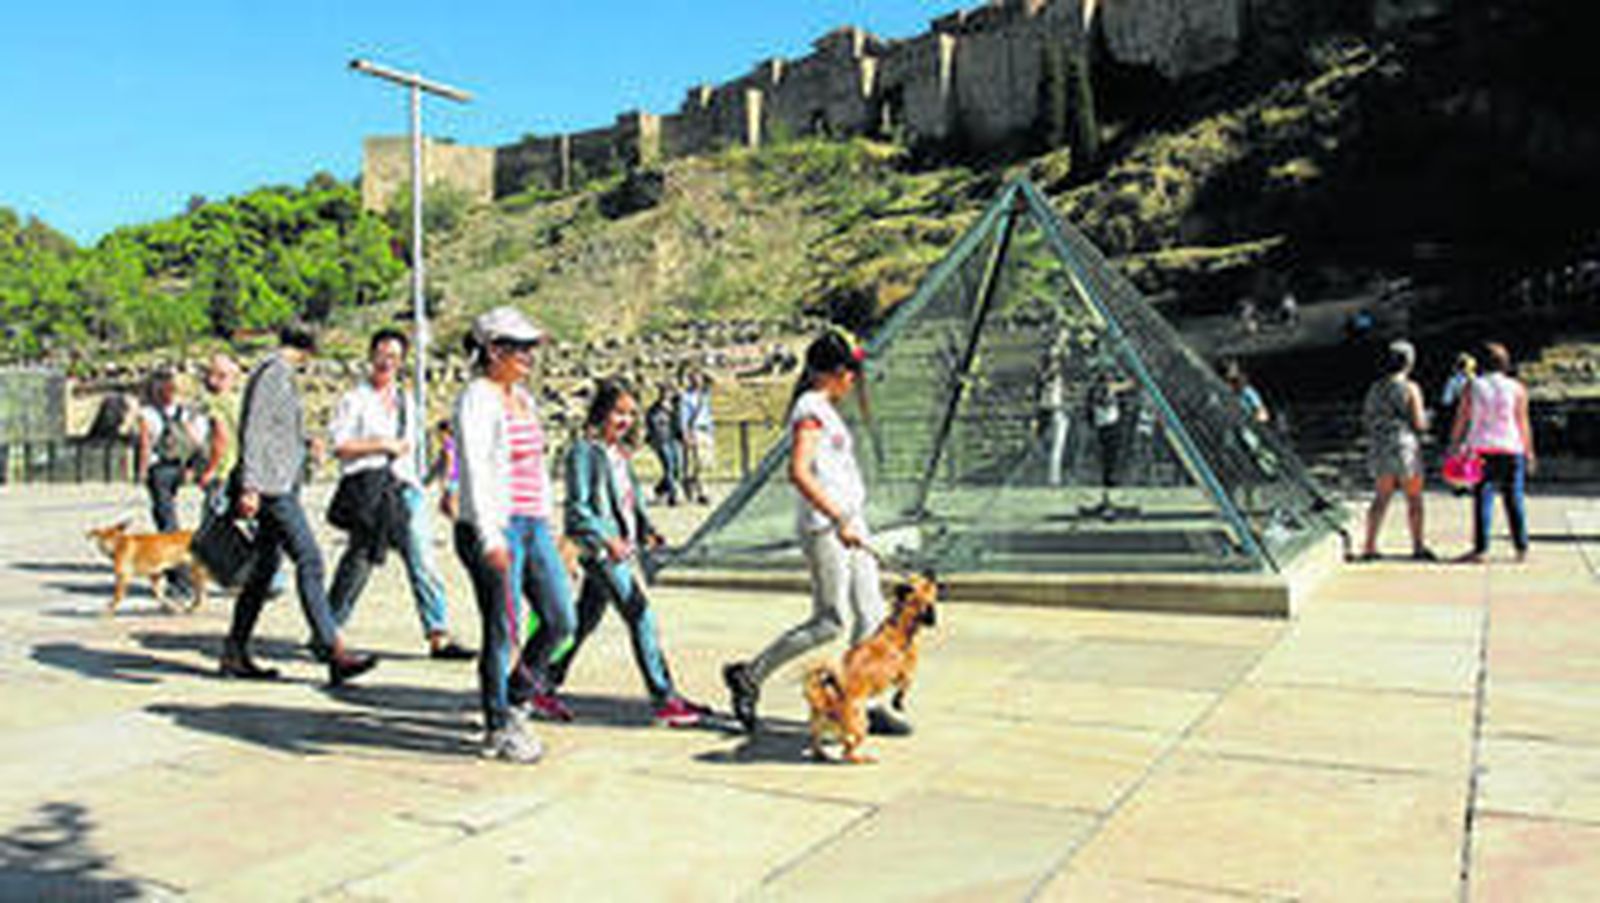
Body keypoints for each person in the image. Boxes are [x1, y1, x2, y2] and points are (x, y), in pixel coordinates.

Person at [722, 329, 909, 738]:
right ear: (834, 372)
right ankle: (751, 675)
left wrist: (851, 518)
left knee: (872, 614)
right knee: (830, 621)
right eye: (850, 372)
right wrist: (838, 518)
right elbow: (799, 471)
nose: (854, 380)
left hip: (849, 521)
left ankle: (863, 701)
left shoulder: (825, 407)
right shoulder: (810, 408)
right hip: (827, 527)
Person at [452, 306, 578, 763]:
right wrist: (490, 536)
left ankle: (519, 692)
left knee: (561, 617)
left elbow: (537, 469)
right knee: (501, 628)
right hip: (496, 526)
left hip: (533, 523)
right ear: (493, 350)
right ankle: (499, 723)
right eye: (520, 348)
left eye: (531, 347)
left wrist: (550, 525)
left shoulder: (524, 398)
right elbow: (476, 469)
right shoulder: (477, 398)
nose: (529, 356)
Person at [223, 325, 378, 685]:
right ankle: (331, 648)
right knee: (309, 559)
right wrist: (250, 485)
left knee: (263, 570)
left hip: (276, 481)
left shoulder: (274, 371)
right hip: (273, 487)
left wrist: (305, 441)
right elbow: (256, 429)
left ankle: (235, 650)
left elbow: (275, 429)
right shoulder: (274, 372)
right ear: (308, 350)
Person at [556, 377, 707, 727]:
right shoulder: (584, 452)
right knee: (641, 616)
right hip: (602, 553)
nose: (624, 421)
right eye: (618, 413)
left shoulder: (618, 454)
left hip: (621, 550)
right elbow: (578, 509)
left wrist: (647, 530)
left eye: (630, 415)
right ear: (601, 412)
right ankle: (664, 697)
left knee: (583, 621)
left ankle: (543, 678)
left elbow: (628, 504)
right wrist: (608, 538)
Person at [326, 328, 473, 661]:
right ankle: (328, 628)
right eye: (381, 354)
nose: (386, 362)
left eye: (393, 356)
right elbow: (340, 446)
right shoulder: (354, 400)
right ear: (371, 356)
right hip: (370, 491)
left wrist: (444, 482)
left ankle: (438, 633)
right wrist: (381, 444)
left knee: (423, 559)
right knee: (358, 563)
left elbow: (427, 451)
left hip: (406, 489)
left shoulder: (408, 403)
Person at [1450, 342, 1535, 563]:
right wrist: (1529, 451)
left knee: (1482, 498)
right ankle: (1521, 547)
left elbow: (1462, 418)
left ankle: (1481, 549)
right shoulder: (1517, 388)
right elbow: (1522, 422)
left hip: (1481, 447)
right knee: (1514, 498)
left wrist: (1454, 444)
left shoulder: (1473, 386)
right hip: (1511, 446)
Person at [1357, 340, 1435, 561]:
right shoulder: (1410, 388)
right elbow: (1419, 423)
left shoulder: (1375, 388)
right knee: (1414, 499)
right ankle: (1418, 546)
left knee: (1381, 498)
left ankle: (1370, 545)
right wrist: (1428, 421)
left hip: (1380, 445)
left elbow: (1367, 419)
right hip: (1404, 446)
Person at [136, 368, 203, 598]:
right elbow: (194, 441)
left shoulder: (146, 414)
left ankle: (180, 578)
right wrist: (192, 466)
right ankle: (183, 574)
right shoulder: (183, 412)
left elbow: (145, 446)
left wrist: (142, 472)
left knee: (165, 521)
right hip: (177, 468)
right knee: (169, 515)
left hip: (159, 469)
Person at [644, 382, 682, 506]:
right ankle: (673, 495)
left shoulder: (675, 407)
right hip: (661, 440)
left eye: (668, 392)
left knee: (677, 468)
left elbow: (679, 421)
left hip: (674, 439)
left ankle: (660, 489)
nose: (665, 394)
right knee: (669, 467)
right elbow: (652, 424)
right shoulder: (654, 409)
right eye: (663, 392)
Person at [678, 370, 714, 504]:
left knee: (706, 463)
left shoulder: (705, 395)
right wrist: (686, 433)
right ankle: (701, 491)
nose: (698, 382)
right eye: (695, 379)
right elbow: (684, 416)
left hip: (706, 430)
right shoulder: (686, 397)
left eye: (700, 379)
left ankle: (690, 481)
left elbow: (714, 381)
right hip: (695, 430)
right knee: (697, 461)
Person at [1222, 360, 1271, 426]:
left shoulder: (1248, 392)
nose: (1230, 385)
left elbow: (1263, 414)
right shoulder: (1233, 394)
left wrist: (1254, 420)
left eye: (1233, 382)